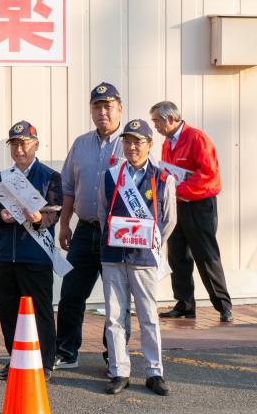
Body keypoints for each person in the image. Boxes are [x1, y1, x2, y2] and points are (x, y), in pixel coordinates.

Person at [55, 81, 131, 370]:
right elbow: (68, 187)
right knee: (72, 292)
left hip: (118, 233)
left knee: (118, 299)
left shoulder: (131, 143)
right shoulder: (81, 144)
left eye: (108, 106)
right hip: (85, 230)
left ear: (119, 109)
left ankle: (115, 354)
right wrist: (64, 225)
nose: (102, 112)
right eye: (97, 107)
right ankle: (66, 350)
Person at [99, 119, 176, 396]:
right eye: (127, 141)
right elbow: (102, 212)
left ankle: (154, 372)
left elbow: (168, 220)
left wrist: (149, 242)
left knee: (148, 316)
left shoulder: (162, 177)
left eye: (138, 141)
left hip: (144, 257)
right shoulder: (110, 175)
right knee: (115, 316)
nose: (132, 147)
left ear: (149, 145)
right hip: (112, 255)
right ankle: (120, 371)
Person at [0, 121, 62, 382]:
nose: (19, 150)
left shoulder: (50, 176)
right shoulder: (2, 177)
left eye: (24, 143)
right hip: (7, 255)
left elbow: (54, 214)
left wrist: (39, 218)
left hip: (36, 256)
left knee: (39, 312)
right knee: (8, 312)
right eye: (14, 144)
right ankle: (15, 361)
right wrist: (1, 215)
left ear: (36, 144)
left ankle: (46, 363)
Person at [149, 101, 233, 322]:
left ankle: (223, 305)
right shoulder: (167, 144)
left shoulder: (197, 138)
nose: (155, 126)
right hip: (177, 204)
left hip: (199, 205)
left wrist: (177, 188)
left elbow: (209, 175)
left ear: (170, 119)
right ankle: (185, 304)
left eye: (157, 120)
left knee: (206, 255)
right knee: (177, 255)